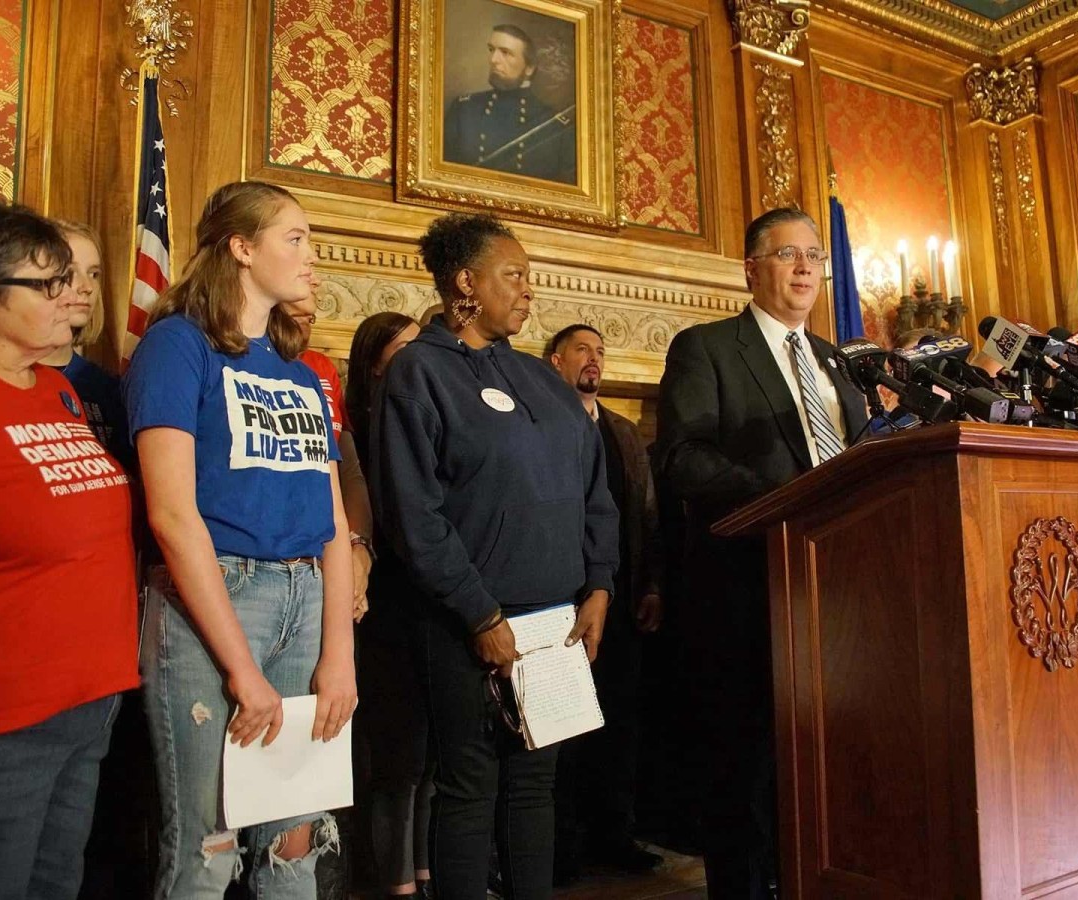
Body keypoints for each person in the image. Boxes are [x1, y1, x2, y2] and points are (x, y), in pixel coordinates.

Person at [371, 212, 618, 900]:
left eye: (529, 277)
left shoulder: (541, 380)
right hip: (467, 625)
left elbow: (593, 486)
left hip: (557, 623)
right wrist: (479, 615)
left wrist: (599, 585)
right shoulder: (418, 372)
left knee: (536, 789)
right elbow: (412, 514)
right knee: (470, 788)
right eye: (515, 275)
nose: (529, 291)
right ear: (465, 283)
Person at [124, 180, 357, 898]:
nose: (312, 257)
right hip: (219, 599)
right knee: (208, 845)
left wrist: (340, 655)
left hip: (306, 598)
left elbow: (335, 517)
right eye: (296, 238)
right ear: (242, 247)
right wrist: (241, 669)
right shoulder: (176, 347)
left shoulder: (295, 363)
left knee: (294, 842)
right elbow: (172, 514)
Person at [655, 207, 867, 900]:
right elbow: (684, 458)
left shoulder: (838, 361)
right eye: (787, 254)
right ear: (752, 269)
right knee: (744, 767)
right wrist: (794, 493)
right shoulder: (708, 347)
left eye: (814, 254)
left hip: (839, 589)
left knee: (824, 758)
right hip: (747, 588)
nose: (806, 267)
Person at [0, 203, 139, 898]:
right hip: (13, 711)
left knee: (60, 879)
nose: (68, 297)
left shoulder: (59, 390)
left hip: (92, 695)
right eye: (46, 284)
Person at [547, 323, 663, 882]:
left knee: (619, 724)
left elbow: (645, 515)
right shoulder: (540, 426)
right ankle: (560, 848)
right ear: (555, 361)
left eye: (600, 350)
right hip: (562, 603)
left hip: (622, 600)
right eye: (582, 350)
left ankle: (614, 834)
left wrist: (652, 586)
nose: (594, 360)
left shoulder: (620, 430)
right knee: (564, 730)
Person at [346, 312, 438, 900]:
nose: (415, 357)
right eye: (402, 348)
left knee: (432, 758)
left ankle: (427, 873)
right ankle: (395, 882)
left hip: (431, 601)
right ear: (375, 360)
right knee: (396, 759)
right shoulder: (359, 424)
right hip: (381, 606)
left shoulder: (426, 413)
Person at [281, 275, 374, 623]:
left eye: (310, 318)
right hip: (280, 562)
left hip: (332, 552)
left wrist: (358, 548)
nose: (304, 324)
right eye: (294, 316)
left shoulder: (320, 369)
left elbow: (347, 472)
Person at [37, 220, 133, 470]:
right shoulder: (11, 379)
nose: (87, 287)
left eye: (94, 274)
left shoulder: (108, 388)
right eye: (69, 273)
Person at [442, 25, 576, 184]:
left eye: (505, 53)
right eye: (491, 50)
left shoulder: (556, 126)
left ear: (529, 68)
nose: (493, 60)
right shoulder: (463, 109)